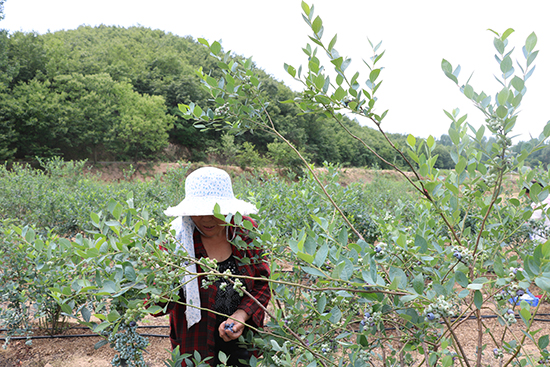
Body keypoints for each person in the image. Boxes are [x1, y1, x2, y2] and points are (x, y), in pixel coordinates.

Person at [161, 166, 271, 366]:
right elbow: (158, 307)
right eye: (198, 211)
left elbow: (262, 284)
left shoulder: (245, 232)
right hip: (195, 340)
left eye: (214, 210)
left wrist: (241, 315)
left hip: (241, 338)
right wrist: (152, 281)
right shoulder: (177, 240)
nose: (206, 218)